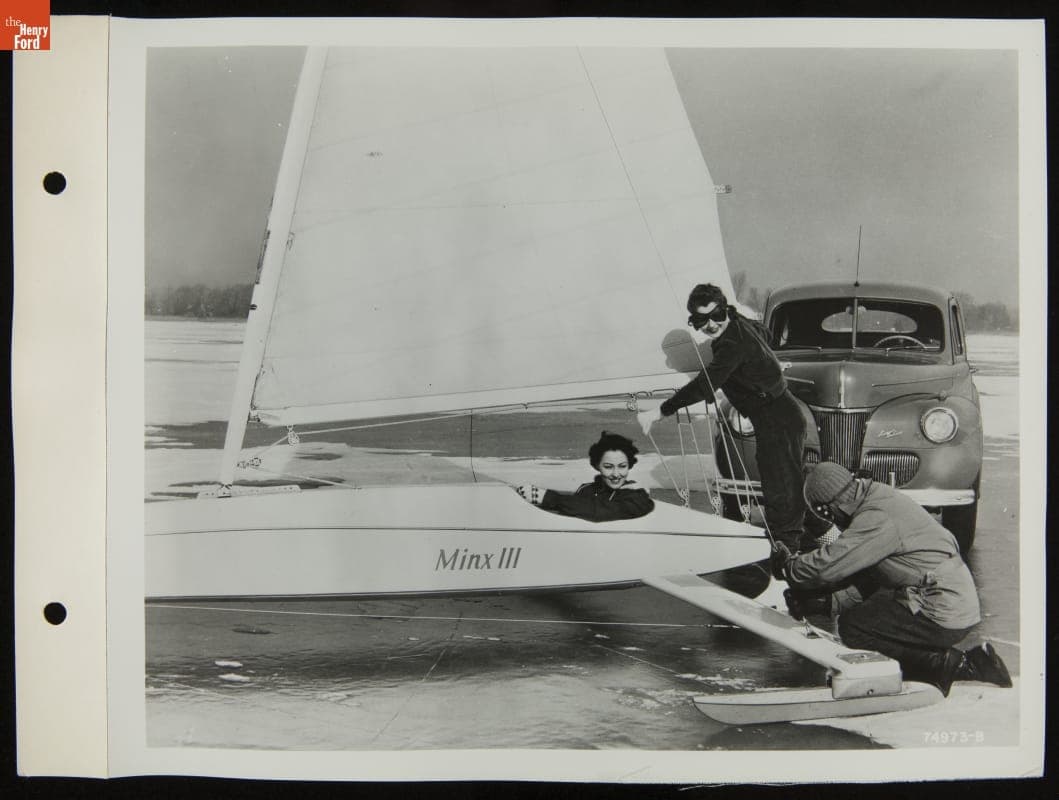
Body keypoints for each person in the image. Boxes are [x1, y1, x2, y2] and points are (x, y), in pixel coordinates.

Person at [770, 461, 1012, 697]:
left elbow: (827, 566)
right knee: (870, 615)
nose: (831, 520)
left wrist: (789, 566)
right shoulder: (876, 497)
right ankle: (926, 662)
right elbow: (874, 575)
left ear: (827, 507)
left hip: (944, 610)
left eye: (824, 513)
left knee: (855, 627)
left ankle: (953, 665)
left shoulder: (875, 518)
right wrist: (827, 603)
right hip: (950, 601)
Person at [637, 283, 812, 547]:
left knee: (780, 493)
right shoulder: (739, 324)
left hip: (776, 420)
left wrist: (661, 411)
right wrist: (766, 364)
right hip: (782, 415)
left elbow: (705, 385)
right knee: (790, 486)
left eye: (716, 316)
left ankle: (786, 561)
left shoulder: (731, 344)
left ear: (725, 310)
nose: (711, 325)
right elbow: (764, 333)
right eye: (701, 320)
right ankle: (825, 537)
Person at [514, 431, 654, 522]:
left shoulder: (638, 497)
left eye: (622, 466)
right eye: (608, 467)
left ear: (629, 465)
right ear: (597, 466)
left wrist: (549, 498)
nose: (616, 474)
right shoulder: (586, 490)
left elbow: (600, 512)